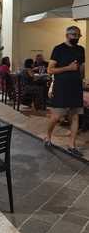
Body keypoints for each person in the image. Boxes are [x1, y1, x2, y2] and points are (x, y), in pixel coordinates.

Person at [46, 26, 85, 156]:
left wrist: (82, 77)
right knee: (56, 117)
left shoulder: (81, 49)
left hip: (76, 87)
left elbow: (81, 67)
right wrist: (68, 68)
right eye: (74, 35)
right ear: (67, 35)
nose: (76, 38)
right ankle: (48, 136)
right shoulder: (58, 49)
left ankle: (71, 145)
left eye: (78, 36)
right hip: (61, 88)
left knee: (75, 116)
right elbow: (50, 70)